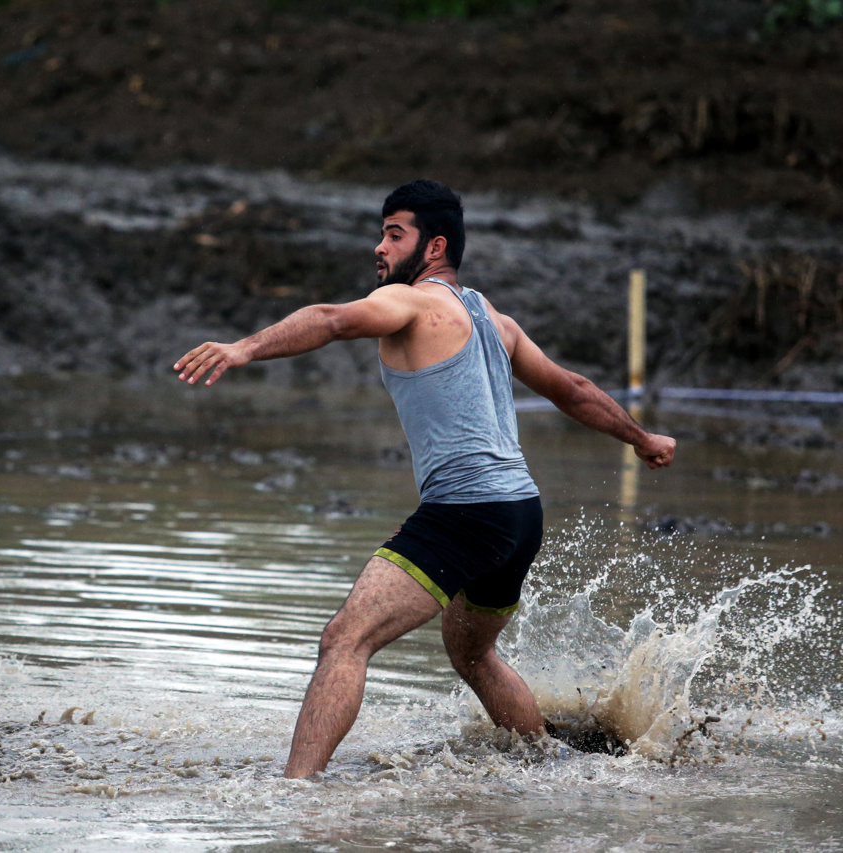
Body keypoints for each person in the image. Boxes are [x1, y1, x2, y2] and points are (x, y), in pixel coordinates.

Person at [174, 180, 676, 778]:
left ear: (433, 248)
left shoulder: (411, 303)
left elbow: (332, 319)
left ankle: (294, 794)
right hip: (519, 515)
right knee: (473, 653)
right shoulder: (495, 318)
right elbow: (574, 388)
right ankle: (555, 765)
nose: (380, 249)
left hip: (465, 512)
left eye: (394, 234)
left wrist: (245, 349)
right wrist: (641, 438)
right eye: (382, 234)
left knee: (344, 640)